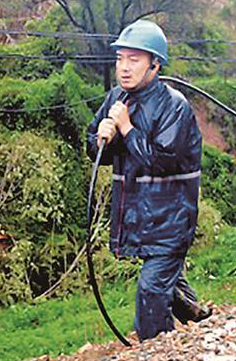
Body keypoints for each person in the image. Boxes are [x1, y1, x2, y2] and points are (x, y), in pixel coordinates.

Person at [86, 19, 211, 341]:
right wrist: (101, 137)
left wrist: (126, 129)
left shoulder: (174, 107)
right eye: (120, 59)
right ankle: (194, 312)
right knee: (162, 279)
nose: (124, 68)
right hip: (137, 217)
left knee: (152, 288)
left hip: (171, 216)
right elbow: (94, 151)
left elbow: (161, 161)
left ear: (155, 64)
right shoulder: (117, 98)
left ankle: (157, 356)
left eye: (134, 60)